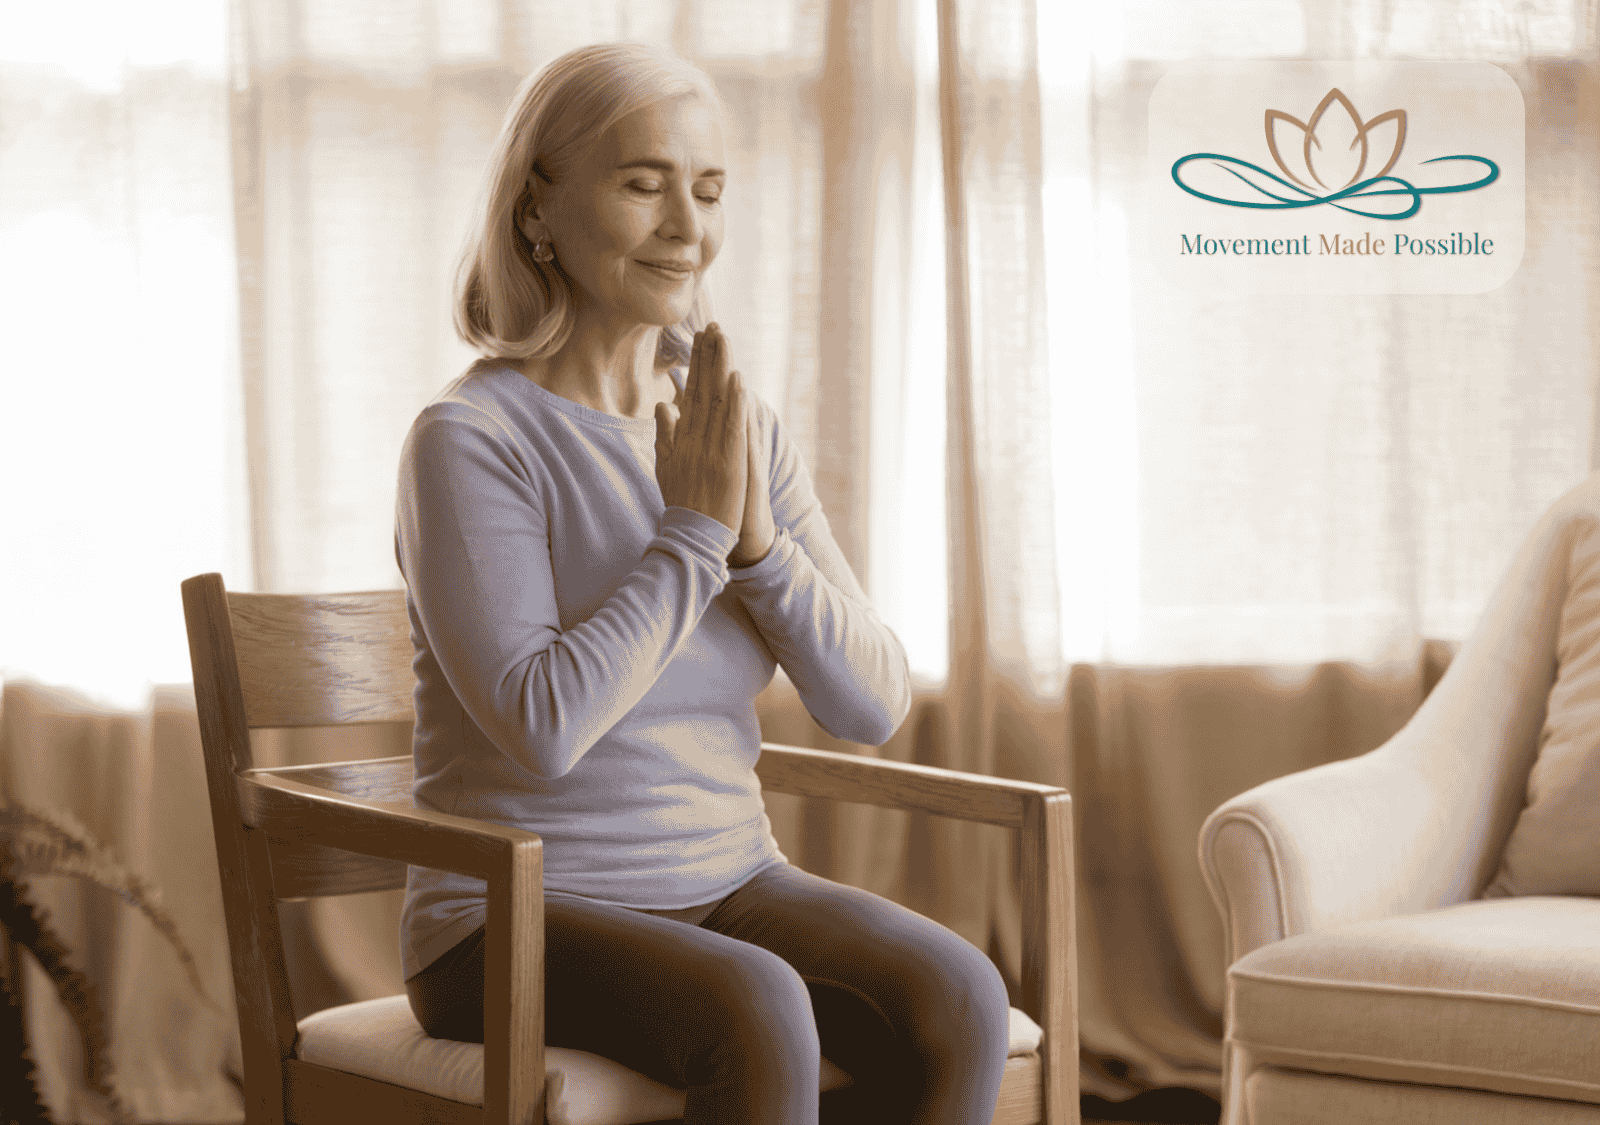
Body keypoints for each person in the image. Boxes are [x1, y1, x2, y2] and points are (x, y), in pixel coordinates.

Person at [395, 41, 1010, 1125]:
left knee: (958, 994)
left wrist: (761, 553)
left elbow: (871, 704)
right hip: (505, 918)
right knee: (757, 1005)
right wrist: (692, 537)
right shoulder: (472, 438)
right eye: (644, 184)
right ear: (536, 207)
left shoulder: (732, 425)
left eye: (709, 190)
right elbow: (542, 728)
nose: (687, 226)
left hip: (729, 882)